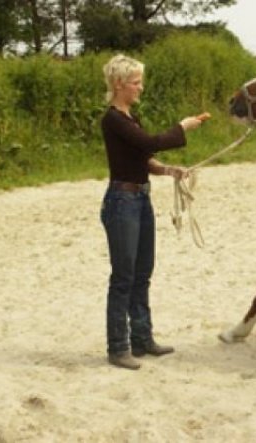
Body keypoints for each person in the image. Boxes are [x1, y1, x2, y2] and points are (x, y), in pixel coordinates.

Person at [100, 54, 203, 370]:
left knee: (142, 273)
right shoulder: (113, 120)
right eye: (135, 82)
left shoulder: (129, 117)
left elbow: (141, 157)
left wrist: (167, 170)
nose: (140, 88)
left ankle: (142, 339)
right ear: (119, 85)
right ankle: (118, 347)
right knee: (124, 277)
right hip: (122, 202)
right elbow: (152, 142)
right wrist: (182, 127)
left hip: (139, 201)